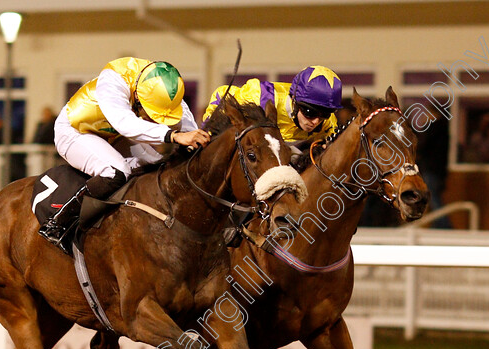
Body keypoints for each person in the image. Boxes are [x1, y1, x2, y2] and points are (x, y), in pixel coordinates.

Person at [45, 57, 209, 250]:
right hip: (75, 131)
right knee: (116, 171)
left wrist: (197, 141)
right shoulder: (113, 80)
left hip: (112, 134)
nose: (156, 121)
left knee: (160, 167)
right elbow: (125, 123)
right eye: (152, 114)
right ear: (139, 98)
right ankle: (59, 224)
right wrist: (174, 136)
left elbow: (185, 119)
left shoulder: (163, 84)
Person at [203, 65, 341, 148]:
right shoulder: (259, 97)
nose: (316, 121)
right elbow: (222, 97)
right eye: (309, 112)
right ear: (294, 100)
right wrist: (209, 136)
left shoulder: (327, 123)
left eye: (324, 114)